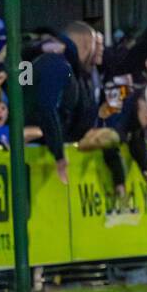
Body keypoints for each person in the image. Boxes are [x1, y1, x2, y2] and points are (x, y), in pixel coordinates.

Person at [25, 21, 102, 185]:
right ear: (88, 45)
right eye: (96, 45)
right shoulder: (57, 65)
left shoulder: (73, 72)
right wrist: (59, 154)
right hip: (36, 160)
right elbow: (47, 107)